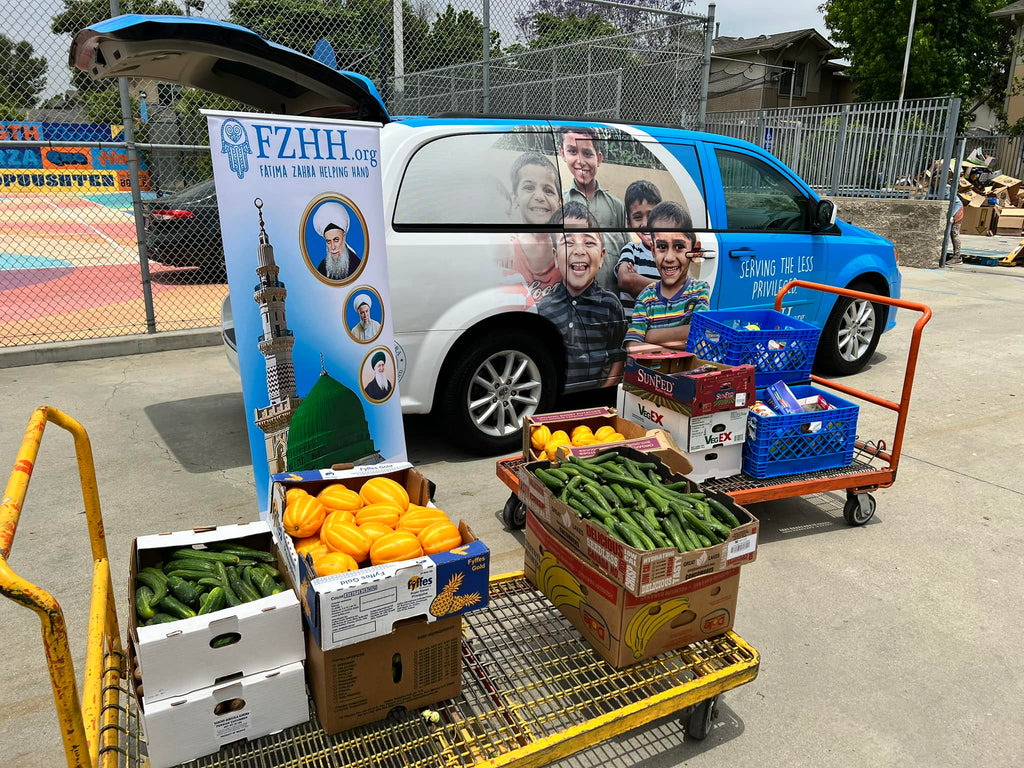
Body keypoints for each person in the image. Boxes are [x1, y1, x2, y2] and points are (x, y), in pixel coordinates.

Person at [538, 202, 627, 390]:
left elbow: (618, 355)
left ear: (602, 256)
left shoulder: (610, 305)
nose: (579, 250)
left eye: (588, 242)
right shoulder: (544, 307)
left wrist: (605, 389)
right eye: (568, 242)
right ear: (555, 257)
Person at [625, 201, 710, 351]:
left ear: (694, 250)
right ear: (653, 250)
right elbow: (633, 347)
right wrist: (679, 347)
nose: (669, 257)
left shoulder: (700, 291)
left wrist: (649, 336)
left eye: (679, 247)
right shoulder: (646, 298)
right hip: (652, 375)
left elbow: (698, 334)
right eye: (662, 247)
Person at [558, 126, 627, 291]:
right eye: (572, 151)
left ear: (599, 159)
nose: (580, 161)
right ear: (562, 153)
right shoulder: (560, 203)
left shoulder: (616, 206)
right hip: (573, 296)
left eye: (587, 153)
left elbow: (626, 252)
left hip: (609, 296)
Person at [508, 152, 563, 300]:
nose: (539, 197)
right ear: (514, 198)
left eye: (548, 190)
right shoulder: (504, 250)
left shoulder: (569, 250)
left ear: (560, 203)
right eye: (529, 187)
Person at [615, 180, 663, 308]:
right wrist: (667, 286)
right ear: (629, 224)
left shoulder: (668, 253)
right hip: (633, 326)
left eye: (651, 215)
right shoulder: (631, 250)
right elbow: (625, 280)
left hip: (659, 326)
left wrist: (637, 279)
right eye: (637, 217)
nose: (645, 223)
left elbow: (680, 286)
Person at [312, 201, 361, 281]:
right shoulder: (322, 267)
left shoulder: (356, 265)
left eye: (336, 240)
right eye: (328, 241)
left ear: (344, 237)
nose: (332, 247)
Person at [948, 195, 963, 264]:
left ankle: (957, 256)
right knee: (951, 233)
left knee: (954, 233)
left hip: (957, 211)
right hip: (950, 210)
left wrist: (952, 215)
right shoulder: (933, 188)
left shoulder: (946, 189)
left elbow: (957, 204)